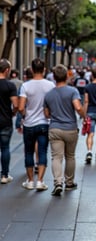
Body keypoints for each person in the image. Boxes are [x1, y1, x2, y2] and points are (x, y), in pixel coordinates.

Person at [44, 64, 84, 196]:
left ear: (54, 77)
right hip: (70, 128)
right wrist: (84, 116)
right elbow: (78, 107)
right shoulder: (73, 91)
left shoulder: (49, 95)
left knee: (56, 157)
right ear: (67, 76)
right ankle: (69, 182)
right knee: (70, 156)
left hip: (55, 128)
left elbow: (46, 114)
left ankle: (58, 183)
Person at [18, 58, 55, 191]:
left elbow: (21, 107)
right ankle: (40, 181)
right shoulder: (50, 85)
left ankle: (30, 181)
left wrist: (24, 115)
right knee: (43, 151)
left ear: (32, 70)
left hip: (29, 124)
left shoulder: (25, 86)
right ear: (44, 70)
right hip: (45, 123)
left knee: (28, 152)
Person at [0, 58, 18, 184]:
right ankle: (4, 175)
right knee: (5, 148)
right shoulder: (10, 85)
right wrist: (13, 113)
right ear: (7, 70)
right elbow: (16, 105)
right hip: (5, 120)